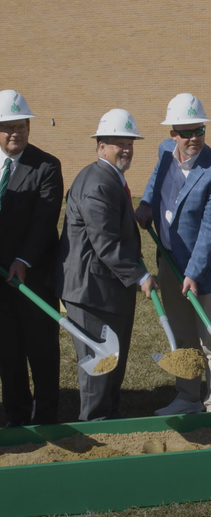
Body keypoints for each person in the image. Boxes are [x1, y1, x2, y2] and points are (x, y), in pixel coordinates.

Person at [135, 94, 211, 415]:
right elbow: (156, 179)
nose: (194, 138)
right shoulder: (165, 152)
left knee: (209, 336)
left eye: (199, 130)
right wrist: (148, 203)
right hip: (168, 260)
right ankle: (188, 397)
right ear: (172, 134)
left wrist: (193, 272)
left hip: (203, 269)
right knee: (182, 334)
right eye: (186, 132)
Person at [56, 109, 158, 421]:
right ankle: (96, 428)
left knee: (113, 364)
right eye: (118, 142)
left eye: (129, 142)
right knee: (98, 369)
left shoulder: (111, 178)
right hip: (91, 293)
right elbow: (105, 242)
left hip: (109, 290)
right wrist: (140, 275)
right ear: (101, 146)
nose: (126, 148)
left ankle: (111, 422)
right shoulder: (98, 183)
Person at [0, 90, 63, 427]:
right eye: (8, 127)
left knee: (41, 349)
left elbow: (43, 221)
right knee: (7, 350)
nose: (15, 133)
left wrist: (22, 260)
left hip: (33, 276)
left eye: (21, 126)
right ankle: (15, 414)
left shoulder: (46, 166)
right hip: (0, 280)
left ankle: (46, 416)